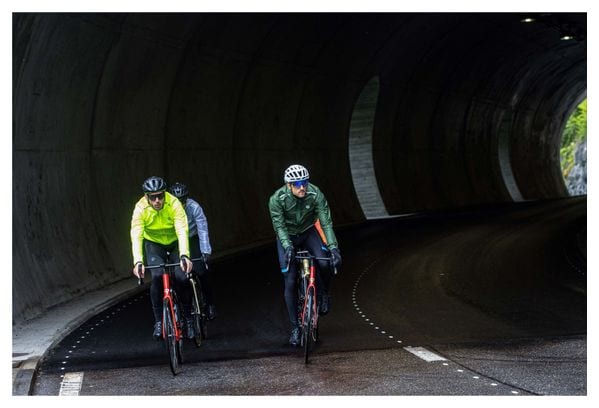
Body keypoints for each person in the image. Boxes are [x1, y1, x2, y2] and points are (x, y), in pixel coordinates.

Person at [268, 164, 342, 346]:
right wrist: (287, 247)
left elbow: (325, 222)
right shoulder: (277, 199)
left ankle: (324, 294)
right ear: (289, 184)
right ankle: (295, 328)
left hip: (308, 232)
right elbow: (279, 226)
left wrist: (333, 248)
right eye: (297, 183)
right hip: (287, 236)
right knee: (291, 280)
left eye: (305, 182)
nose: (302, 187)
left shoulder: (315, 194)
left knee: (325, 263)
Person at [130, 176, 195, 340]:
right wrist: (138, 261)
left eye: (160, 195)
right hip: (154, 244)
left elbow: (182, 229)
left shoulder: (174, 203)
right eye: (153, 197)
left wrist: (184, 255)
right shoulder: (140, 208)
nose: (157, 200)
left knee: (181, 277)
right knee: (158, 277)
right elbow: (136, 234)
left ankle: (188, 318)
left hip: (174, 242)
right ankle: (159, 321)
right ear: (146, 197)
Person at [168, 182, 217, 320]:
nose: (181, 204)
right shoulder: (167, 209)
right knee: (179, 276)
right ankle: (185, 309)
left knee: (202, 271)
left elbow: (202, 229)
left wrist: (205, 251)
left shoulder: (194, 207)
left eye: (183, 200)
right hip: (176, 240)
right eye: (178, 201)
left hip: (192, 237)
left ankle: (210, 303)